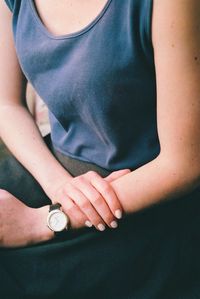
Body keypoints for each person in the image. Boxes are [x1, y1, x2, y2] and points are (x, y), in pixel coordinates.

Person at [0, 0, 200, 298]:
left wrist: (46, 221)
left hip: (142, 201)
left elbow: (185, 163)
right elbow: (6, 104)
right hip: (54, 173)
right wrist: (59, 187)